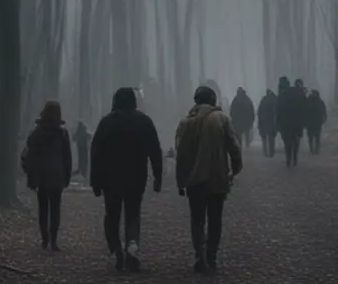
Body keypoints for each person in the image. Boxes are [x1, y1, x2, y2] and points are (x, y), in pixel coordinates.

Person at [89, 86, 164, 273]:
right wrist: (158, 176)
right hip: (136, 177)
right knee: (133, 213)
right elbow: (155, 151)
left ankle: (115, 249)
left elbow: (95, 153)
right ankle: (132, 245)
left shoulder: (106, 123)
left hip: (110, 178)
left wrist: (95, 181)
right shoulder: (144, 121)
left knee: (112, 216)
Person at [175, 85, 243, 273]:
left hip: (193, 180)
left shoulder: (185, 122)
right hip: (217, 177)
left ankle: (199, 253)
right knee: (215, 218)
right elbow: (234, 146)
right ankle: (211, 255)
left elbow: (180, 154)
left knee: (197, 219)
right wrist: (235, 169)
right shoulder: (221, 119)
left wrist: (180, 180)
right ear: (213, 100)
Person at [19, 101, 73, 250]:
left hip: (41, 177)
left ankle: (45, 239)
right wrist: (67, 175)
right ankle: (53, 241)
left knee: (43, 209)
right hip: (56, 176)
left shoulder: (36, 133)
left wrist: (30, 175)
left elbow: (27, 157)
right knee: (55, 208)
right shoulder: (62, 133)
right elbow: (67, 158)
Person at [279, 78, 307, 168]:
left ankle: (288, 159)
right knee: (296, 140)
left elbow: (278, 110)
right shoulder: (298, 93)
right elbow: (304, 108)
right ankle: (294, 157)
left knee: (287, 142)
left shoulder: (282, 95)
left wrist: (278, 123)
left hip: (286, 123)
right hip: (297, 122)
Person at [257, 87, 278, 159]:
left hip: (264, 121)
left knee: (264, 138)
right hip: (272, 121)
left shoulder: (263, 100)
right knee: (271, 138)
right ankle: (271, 152)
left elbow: (259, 112)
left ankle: (265, 151)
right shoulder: (274, 100)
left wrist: (259, 121)